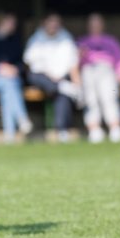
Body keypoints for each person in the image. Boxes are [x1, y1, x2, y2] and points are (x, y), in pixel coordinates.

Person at [24, 13, 80, 142]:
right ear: (45, 23)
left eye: (56, 23)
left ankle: (62, 130)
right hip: (41, 76)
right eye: (51, 22)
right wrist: (51, 75)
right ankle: (62, 87)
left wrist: (72, 79)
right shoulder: (36, 39)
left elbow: (72, 62)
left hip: (60, 78)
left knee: (62, 95)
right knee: (62, 88)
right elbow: (32, 63)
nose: (53, 26)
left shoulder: (66, 38)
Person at [76, 13, 120, 144]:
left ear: (102, 25)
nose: (95, 26)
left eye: (97, 23)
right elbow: (72, 64)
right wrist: (79, 55)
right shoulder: (81, 42)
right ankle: (94, 129)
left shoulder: (111, 41)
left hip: (107, 72)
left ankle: (115, 127)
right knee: (90, 98)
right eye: (92, 23)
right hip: (87, 72)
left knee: (109, 96)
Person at [0, 11, 33, 141]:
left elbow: (21, 63)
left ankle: (10, 135)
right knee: (8, 84)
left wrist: (14, 69)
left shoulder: (15, 41)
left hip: (12, 79)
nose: (14, 25)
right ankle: (21, 118)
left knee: (8, 90)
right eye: (11, 23)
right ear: (1, 23)